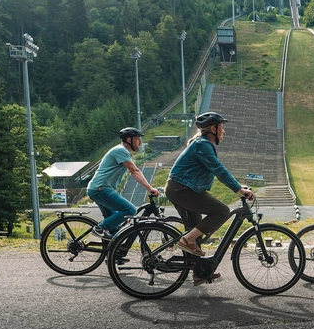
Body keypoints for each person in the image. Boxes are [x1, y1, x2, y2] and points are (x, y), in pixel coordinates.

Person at [164, 111, 255, 285]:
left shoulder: (202, 144)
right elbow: (218, 170)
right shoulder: (203, 144)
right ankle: (186, 240)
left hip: (183, 189)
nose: (224, 131)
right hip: (182, 189)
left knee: (195, 231)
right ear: (213, 128)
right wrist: (238, 189)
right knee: (222, 211)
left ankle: (199, 272)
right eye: (222, 127)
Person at [87, 127, 160, 241]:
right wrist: (149, 188)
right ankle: (100, 228)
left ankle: (114, 256)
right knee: (130, 210)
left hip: (100, 188)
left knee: (114, 227)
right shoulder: (121, 150)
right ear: (129, 140)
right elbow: (135, 171)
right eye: (137, 139)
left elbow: (135, 171)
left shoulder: (121, 151)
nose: (140, 143)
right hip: (101, 189)